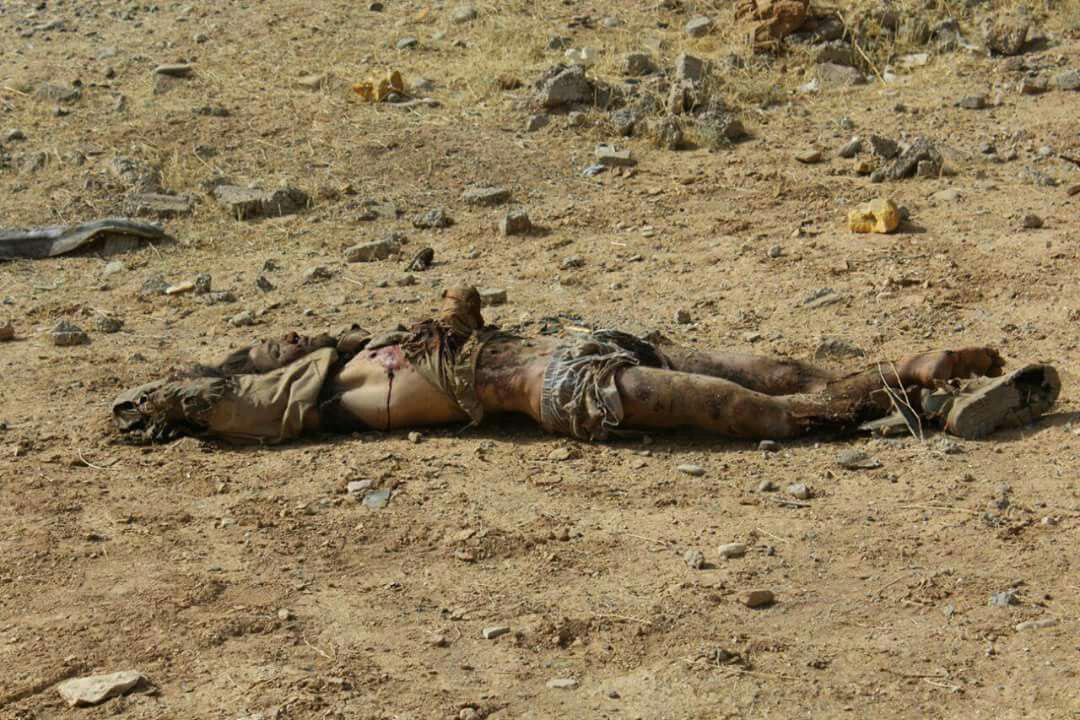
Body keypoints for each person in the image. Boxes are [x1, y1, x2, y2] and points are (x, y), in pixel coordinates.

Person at [112, 286, 1061, 445]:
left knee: (780, 369)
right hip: (564, 389)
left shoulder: (365, 351)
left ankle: (917, 381)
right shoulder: (339, 395)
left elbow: (462, 318)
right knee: (750, 413)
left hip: (590, 345)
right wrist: (174, 399)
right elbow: (213, 401)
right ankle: (915, 398)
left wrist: (453, 311)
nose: (283, 339)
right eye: (266, 349)